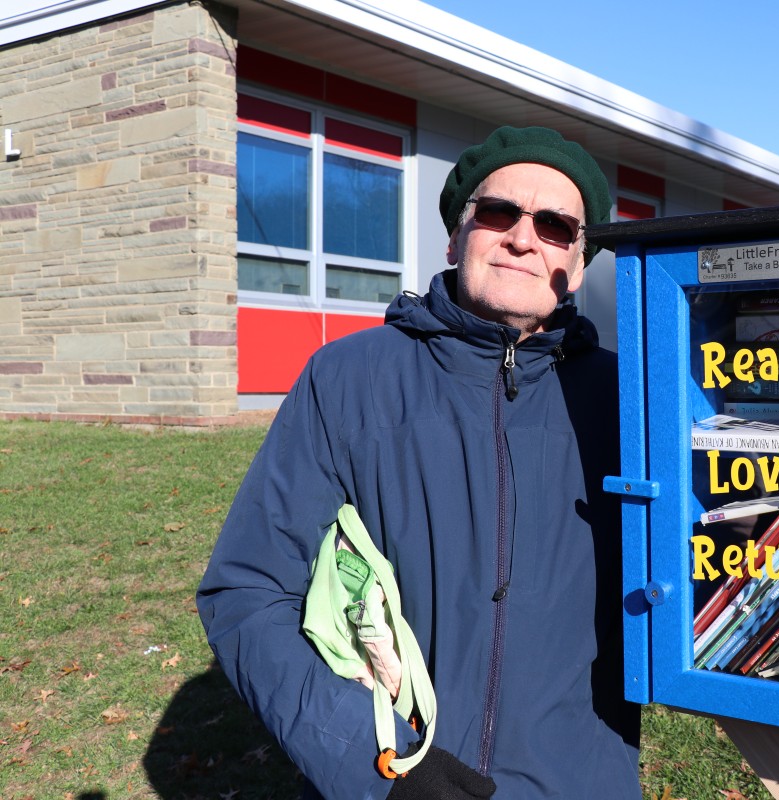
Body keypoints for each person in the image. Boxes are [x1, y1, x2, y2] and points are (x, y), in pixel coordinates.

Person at [197, 126, 641, 800]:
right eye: (498, 213)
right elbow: (248, 592)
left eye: (555, 226)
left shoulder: (631, 400)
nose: (523, 237)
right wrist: (378, 768)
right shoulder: (348, 378)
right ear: (455, 238)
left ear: (578, 265)